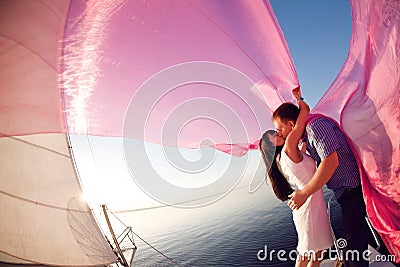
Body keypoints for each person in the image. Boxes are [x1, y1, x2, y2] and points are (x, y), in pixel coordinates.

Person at [272, 89, 369, 267]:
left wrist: (304, 193)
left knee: (350, 244)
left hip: (351, 189)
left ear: (292, 125)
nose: (280, 134)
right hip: (342, 192)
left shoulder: (315, 127)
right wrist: (300, 100)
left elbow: (330, 162)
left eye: (280, 129)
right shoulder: (304, 140)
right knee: (348, 241)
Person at [259, 88, 333, 267]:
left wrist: (304, 139)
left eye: (277, 131)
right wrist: (299, 98)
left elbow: (303, 155)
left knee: (311, 253)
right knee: (311, 254)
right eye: (275, 135)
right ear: (271, 146)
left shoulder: (281, 159)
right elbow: (304, 113)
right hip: (308, 206)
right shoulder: (288, 149)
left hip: (308, 205)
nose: (279, 133)